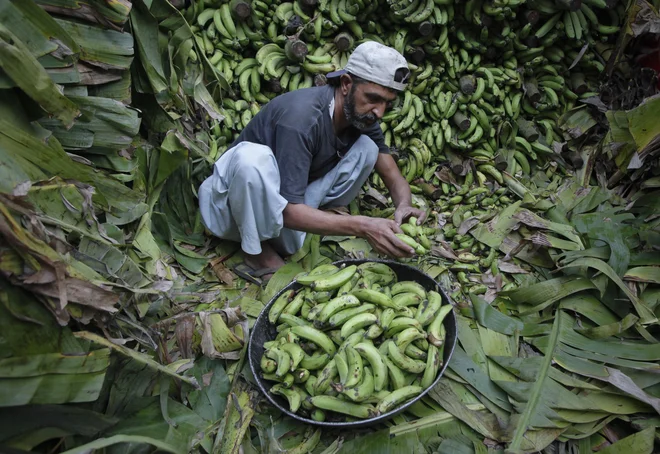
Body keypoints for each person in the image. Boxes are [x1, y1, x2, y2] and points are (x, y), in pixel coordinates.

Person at [198, 41, 427, 283]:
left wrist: (404, 205)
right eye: (373, 98)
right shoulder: (303, 119)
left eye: (387, 104)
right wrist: (362, 226)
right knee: (251, 160)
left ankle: (315, 222)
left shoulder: (361, 116)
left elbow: (392, 175)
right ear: (347, 84)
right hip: (233, 211)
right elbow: (287, 210)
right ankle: (256, 253)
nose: (379, 112)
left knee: (367, 148)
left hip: (285, 205)